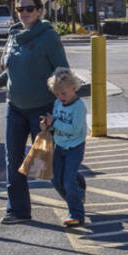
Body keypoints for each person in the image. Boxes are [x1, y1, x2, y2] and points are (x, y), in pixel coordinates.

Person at [0, 0, 69, 224]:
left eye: (29, 9)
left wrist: (59, 107)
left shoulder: (48, 36)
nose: (25, 13)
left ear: (39, 11)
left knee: (50, 160)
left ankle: (74, 191)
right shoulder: (13, 36)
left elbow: (62, 72)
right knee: (14, 159)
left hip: (42, 109)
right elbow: (10, 70)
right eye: (20, 9)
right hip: (15, 107)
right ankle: (17, 210)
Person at [42, 66, 88, 229]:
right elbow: (56, 124)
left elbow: (74, 129)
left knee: (68, 180)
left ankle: (76, 214)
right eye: (57, 93)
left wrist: (55, 123)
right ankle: (78, 191)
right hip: (60, 146)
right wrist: (48, 125)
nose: (60, 97)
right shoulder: (57, 104)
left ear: (73, 88)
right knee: (56, 179)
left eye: (64, 93)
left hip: (75, 147)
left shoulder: (78, 107)